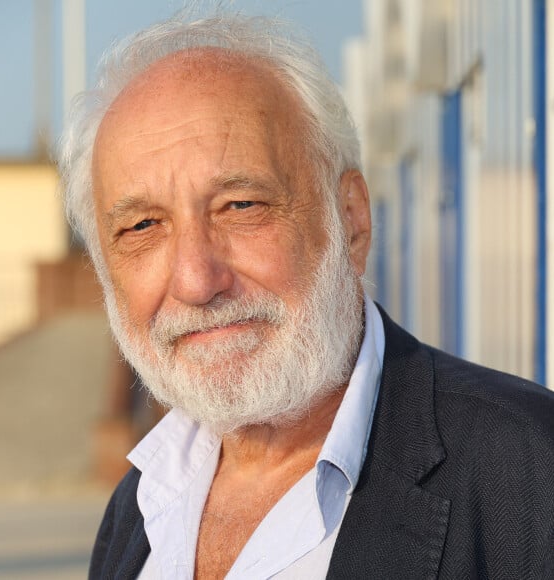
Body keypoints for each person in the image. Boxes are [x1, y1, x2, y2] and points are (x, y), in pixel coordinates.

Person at [58, 7, 554, 580]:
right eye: (143, 226)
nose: (196, 281)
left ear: (350, 220)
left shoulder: (528, 476)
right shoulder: (140, 507)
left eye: (240, 206)